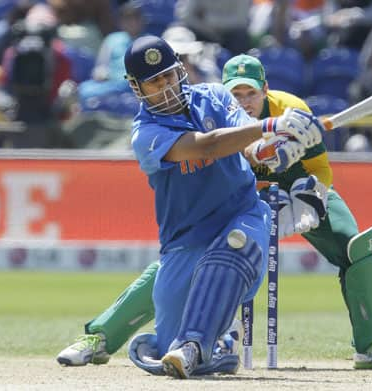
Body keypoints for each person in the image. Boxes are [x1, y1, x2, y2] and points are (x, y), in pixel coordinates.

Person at [57, 52, 372, 372]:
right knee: (187, 262)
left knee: (355, 245)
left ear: (265, 91)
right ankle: (102, 335)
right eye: (235, 94)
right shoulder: (200, 114)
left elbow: (317, 167)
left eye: (250, 94)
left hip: (298, 186)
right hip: (237, 194)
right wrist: (265, 139)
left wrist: (311, 189)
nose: (243, 102)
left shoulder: (290, 107)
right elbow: (225, 147)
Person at [77, 35, 322, 379]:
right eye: (154, 82)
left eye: (168, 76)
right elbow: (207, 146)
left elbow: (245, 140)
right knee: (166, 347)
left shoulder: (215, 96)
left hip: (242, 215)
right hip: (186, 242)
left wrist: (269, 150)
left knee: (231, 249)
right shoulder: (145, 133)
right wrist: (270, 125)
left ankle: (196, 344)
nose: (165, 87)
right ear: (137, 88)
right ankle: (217, 346)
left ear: (179, 71)